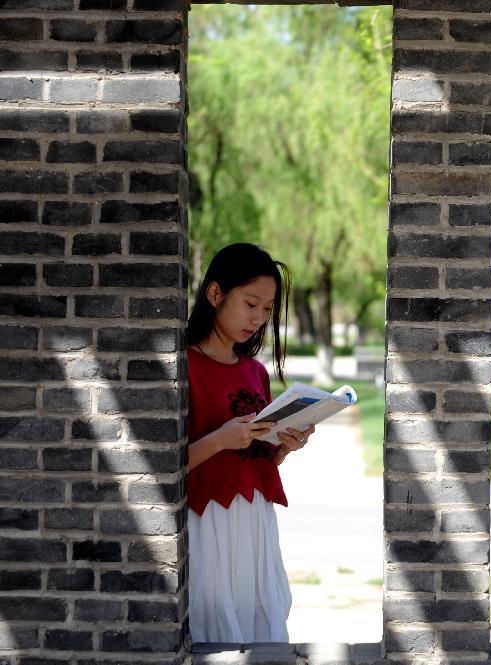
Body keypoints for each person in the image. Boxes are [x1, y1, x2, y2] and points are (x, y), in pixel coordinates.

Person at [186, 243, 314, 643]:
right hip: (207, 520)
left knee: (259, 620)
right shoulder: (183, 366)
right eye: (250, 304)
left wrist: (283, 448)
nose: (258, 319)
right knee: (215, 625)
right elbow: (162, 466)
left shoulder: (255, 372)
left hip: (255, 520)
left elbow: (251, 457)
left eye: (267, 310)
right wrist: (221, 439)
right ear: (214, 294)